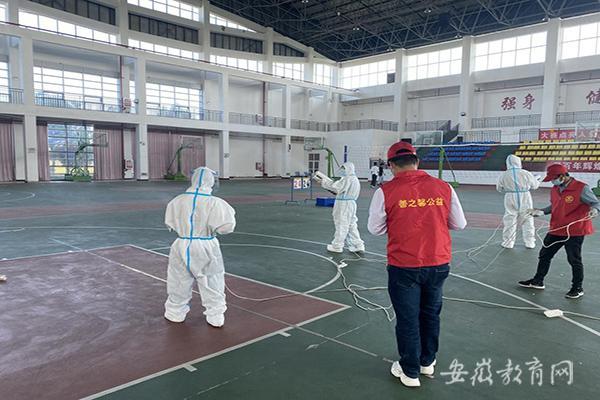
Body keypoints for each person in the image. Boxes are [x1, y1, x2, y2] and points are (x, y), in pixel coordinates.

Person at [368, 141, 466, 388]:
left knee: (408, 318)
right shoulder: (443, 187)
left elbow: (374, 229)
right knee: (431, 313)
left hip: (404, 265)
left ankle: (410, 371)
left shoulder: (385, 191)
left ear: (391, 165)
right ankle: (427, 361)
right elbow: (459, 224)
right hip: (438, 261)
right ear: (417, 162)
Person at [164, 167, 236, 327]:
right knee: (211, 279)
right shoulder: (216, 203)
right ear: (211, 181)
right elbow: (226, 227)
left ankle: (175, 312)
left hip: (181, 244)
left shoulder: (177, 201)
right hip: (206, 245)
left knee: (178, 279)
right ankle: (215, 315)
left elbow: (170, 223)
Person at [519, 163, 599, 299]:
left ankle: (577, 288)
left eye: (553, 178)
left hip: (574, 231)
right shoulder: (555, 188)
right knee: (545, 254)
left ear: (562, 176)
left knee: (574, 259)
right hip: (556, 228)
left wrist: (594, 209)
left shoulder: (581, 188)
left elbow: (595, 202)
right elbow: (555, 205)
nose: (552, 181)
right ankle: (538, 281)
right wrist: (541, 211)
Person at [318, 162, 365, 253]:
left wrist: (324, 182)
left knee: (341, 224)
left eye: (343, 168)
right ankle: (358, 245)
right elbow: (338, 189)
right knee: (351, 225)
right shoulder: (354, 179)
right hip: (350, 204)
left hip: (344, 205)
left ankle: (337, 246)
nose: (342, 170)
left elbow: (336, 188)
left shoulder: (348, 179)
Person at [496, 154, 541, 249]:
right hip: (525, 196)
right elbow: (534, 186)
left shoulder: (504, 174)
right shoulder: (526, 173)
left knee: (509, 219)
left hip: (510, 196)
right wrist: (537, 180)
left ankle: (508, 243)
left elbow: (499, 188)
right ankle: (530, 242)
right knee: (528, 218)